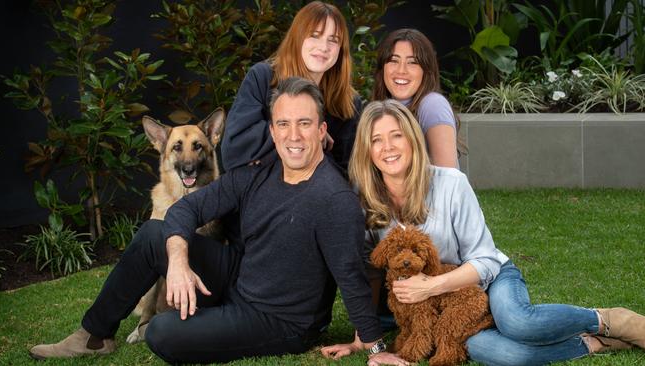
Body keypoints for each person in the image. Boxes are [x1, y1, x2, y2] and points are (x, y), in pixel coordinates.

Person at [29, 78, 386, 364]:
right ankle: (94, 336)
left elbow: (350, 275)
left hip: (279, 319)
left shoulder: (334, 198)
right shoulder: (260, 172)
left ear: (321, 130)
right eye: (284, 124)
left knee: (162, 333)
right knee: (156, 232)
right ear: (273, 131)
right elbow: (186, 210)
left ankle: (195, 320)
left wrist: (373, 347)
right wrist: (179, 262)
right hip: (240, 278)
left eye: (304, 124)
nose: (294, 135)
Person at [322, 99, 645, 366]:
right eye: (376, 140)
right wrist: (362, 338)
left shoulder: (450, 183)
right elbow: (370, 271)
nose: (387, 148)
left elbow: (486, 260)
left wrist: (432, 285)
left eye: (396, 136)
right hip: (443, 304)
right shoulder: (362, 198)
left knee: (518, 323)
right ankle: (592, 343)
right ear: (366, 149)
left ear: (411, 139)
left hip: (487, 276)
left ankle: (610, 320)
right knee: (497, 352)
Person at [221, 0, 360, 172]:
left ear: (341, 49)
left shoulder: (349, 101)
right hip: (257, 191)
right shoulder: (262, 77)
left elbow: (344, 173)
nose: (324, 47)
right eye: (315, 36)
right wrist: (308, 139)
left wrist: (310, 145)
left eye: (333, 40)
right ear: (297, 37)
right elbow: (233, 151)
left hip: (312, 195)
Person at [373, 28, 462, 168]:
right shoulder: (380, 109)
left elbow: (448, 176)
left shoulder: (433, 104)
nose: (401, 70)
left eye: (412, 62)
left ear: (426, 71)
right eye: (394, 60)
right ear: (382, 68)